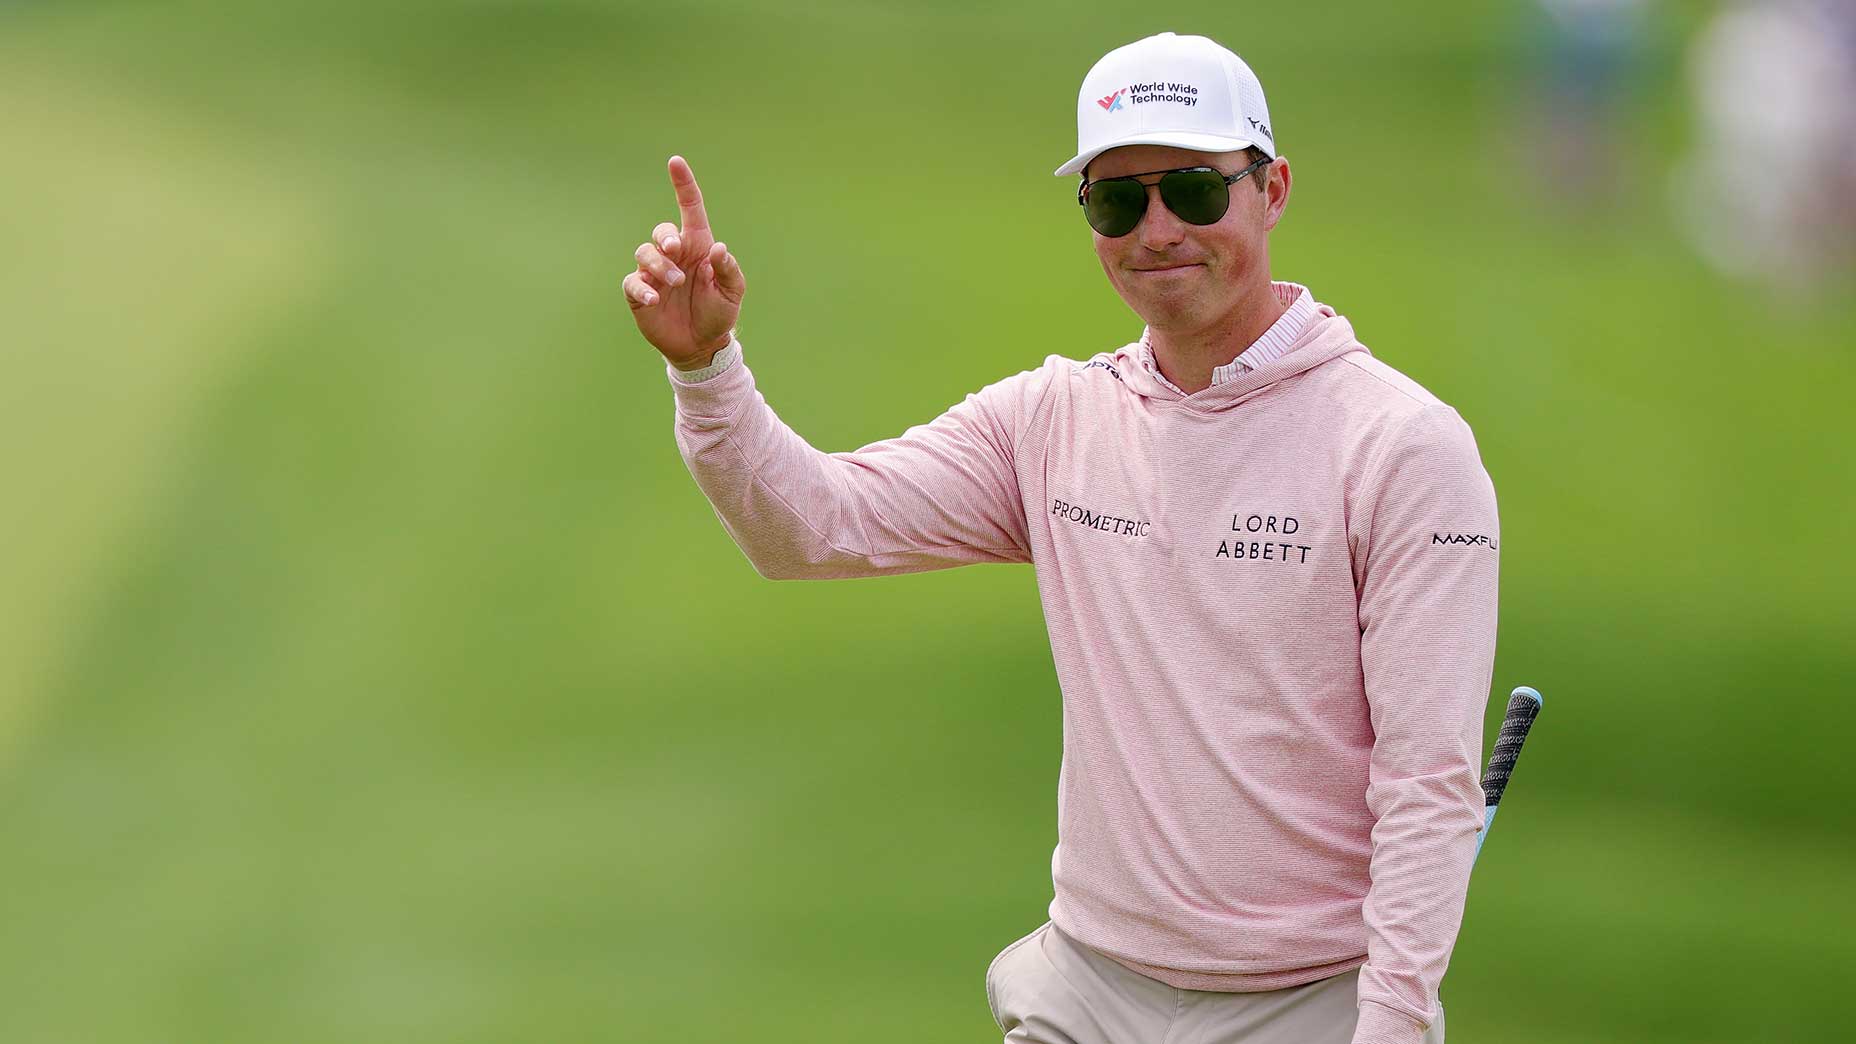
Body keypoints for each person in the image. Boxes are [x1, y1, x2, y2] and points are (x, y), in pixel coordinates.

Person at [624, 31, 1497, 1044]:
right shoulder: (1052, 422)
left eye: (1194, 191)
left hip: (1306, 1005)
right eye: (1117, 202)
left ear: (1272, 190)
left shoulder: (1401, 446)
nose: (1157, 231)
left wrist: (1392, 1024)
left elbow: (1426, 782)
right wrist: (707, 371)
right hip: (1085, 994)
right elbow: (811, 529)